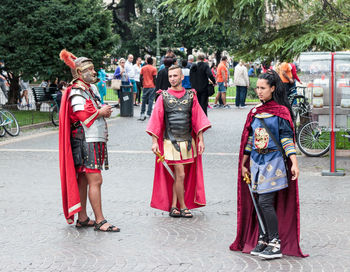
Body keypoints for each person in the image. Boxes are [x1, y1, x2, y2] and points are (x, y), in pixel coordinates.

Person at [230, 70, 307, 259]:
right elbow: (249, 140)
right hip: (256, 162)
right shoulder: (255, 112)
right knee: (258, 201)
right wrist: (244, 163)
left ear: (273, 89)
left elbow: (287, 140)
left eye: (262, 88)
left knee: (265, 201)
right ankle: (264, 237)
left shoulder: (281, 113)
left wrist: (294, 163)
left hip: (274, 162)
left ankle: (275, 242)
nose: (259, 91)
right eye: (257, 88)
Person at [58, 49, 120, 232]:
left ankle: (83, 218)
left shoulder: (88, 89)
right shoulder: (77, 90)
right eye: (90, 69)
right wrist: (101, 112)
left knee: (85, 179)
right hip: (86, 140)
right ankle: (100, 221)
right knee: (95, 179)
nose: (94, 72)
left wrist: (102, 111)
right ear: (78, 73)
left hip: (91, 139)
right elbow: (83, 115)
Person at [146, 65, 211, 218]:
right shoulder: (163, 96)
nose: (173, 79)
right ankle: (183, 207)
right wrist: (155, 142)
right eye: (170, 76)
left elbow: (197, 119)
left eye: (175, 76)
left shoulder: (191, 95)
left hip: (188, 142)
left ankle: (174, 206)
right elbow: (156, 120)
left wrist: (200, 140)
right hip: (171, 143)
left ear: (182, 77)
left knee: (179, 175)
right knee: (180, 174)